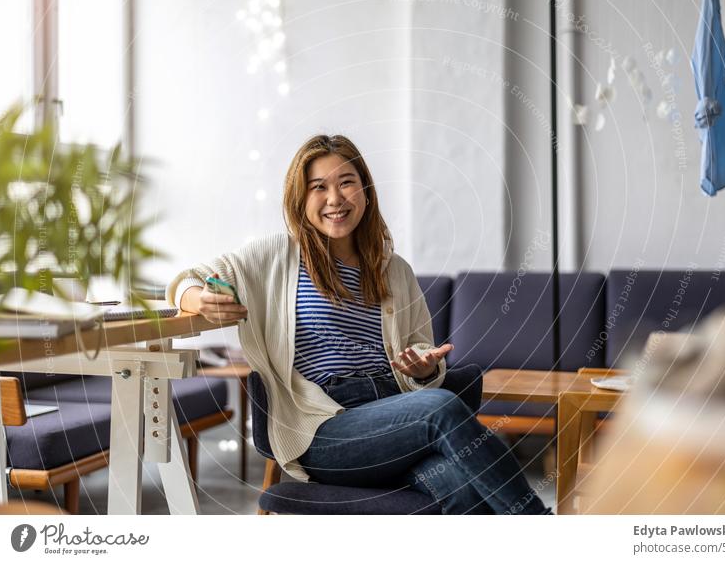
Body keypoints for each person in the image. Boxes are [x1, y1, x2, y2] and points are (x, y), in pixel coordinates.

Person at [167, 134, 551, 515]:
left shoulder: (395, 271)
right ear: (300, 199)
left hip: (394, 417)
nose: (335, 199)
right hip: (323, 430)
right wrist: (195, 298)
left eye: (346, 183)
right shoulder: (276, 255)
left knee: (462, 486)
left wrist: (425, 369)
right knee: (441, 408)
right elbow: (187, 278)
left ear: (365, 191)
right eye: (319, 187)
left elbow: (422, 356)